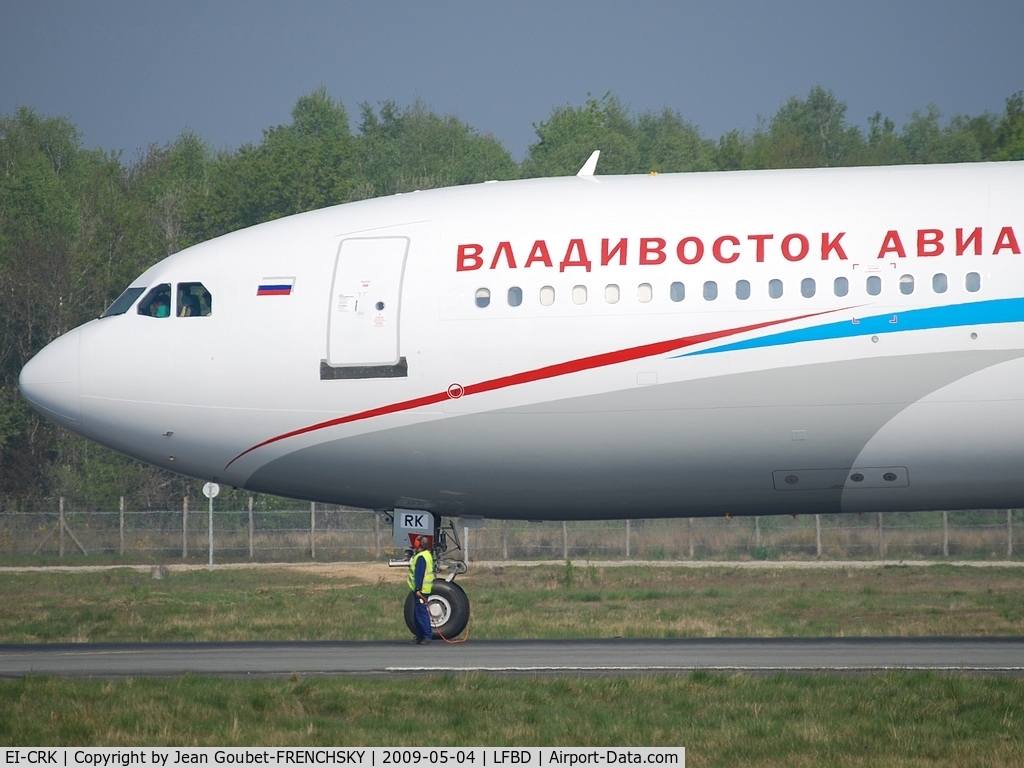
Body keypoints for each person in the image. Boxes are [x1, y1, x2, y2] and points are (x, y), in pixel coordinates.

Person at [407, 535, 434, 644]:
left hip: (421, 590)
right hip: (422, 589)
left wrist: (418, 588)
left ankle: (427, 636)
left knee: (421, 613)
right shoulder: (427, 555)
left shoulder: (421, 557)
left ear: (418, 544)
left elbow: (419, 574)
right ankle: (420, 636)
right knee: (417, 613)